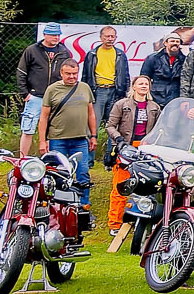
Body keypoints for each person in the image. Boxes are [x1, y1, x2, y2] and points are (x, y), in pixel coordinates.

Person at [35, 59, 97, 220]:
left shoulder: (84, 88)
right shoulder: (52, 90)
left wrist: (93, 135)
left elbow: (91, 113)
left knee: (83, 174)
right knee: (59, 175)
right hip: (58, 139)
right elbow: (44, 117)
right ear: (61, 73)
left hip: (80, 140)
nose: (72, 77)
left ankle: (83, 207)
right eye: (68, 73)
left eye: (75, 73)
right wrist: (42, 141)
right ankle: (58, 208)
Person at [105, 75, 161, 232]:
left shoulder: (155, 107)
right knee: (120, 187)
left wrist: (153, 142)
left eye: (146, 84)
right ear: (133, 86)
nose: (144, 86)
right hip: (125, 148)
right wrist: (119, 139)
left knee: (147, 188)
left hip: (146, 151)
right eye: (140, 83)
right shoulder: (122, 104)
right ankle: (115, 224)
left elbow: (160, 129)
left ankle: (142, 224)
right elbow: (110, 126)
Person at [16, 22, 72, 151]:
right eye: (53, 35)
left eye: (58, 35)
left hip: (55, 97)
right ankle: (22, 158)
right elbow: (21, 72)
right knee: (28, 129)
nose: (56, 38)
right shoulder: (32, 50)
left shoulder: (64, 52)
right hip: (35, 96)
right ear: (45, 35)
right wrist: (25, 93)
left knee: (53, 130)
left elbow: (67, 74)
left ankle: (49, 158)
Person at [84, 25, 129, 125]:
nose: (110, 39)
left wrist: (125, 92)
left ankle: (111, 137)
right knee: (94, 121)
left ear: (116, 38)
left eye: (112, 36)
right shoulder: (92, 54)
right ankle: (93, 136)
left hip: (115, 91)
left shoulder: (120, 54)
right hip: (97, 91)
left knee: (114, 122)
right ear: (101, 37)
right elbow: (85, 75)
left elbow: (126, 75)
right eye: (107, 36)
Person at [140, 33, 187, 106]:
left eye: (177, 42)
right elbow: (144, 78)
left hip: (176, 99)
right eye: (172, 41)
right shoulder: (153, 58)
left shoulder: (185, 60)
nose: (175, 43)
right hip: (155, 99)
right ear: (165, 43)